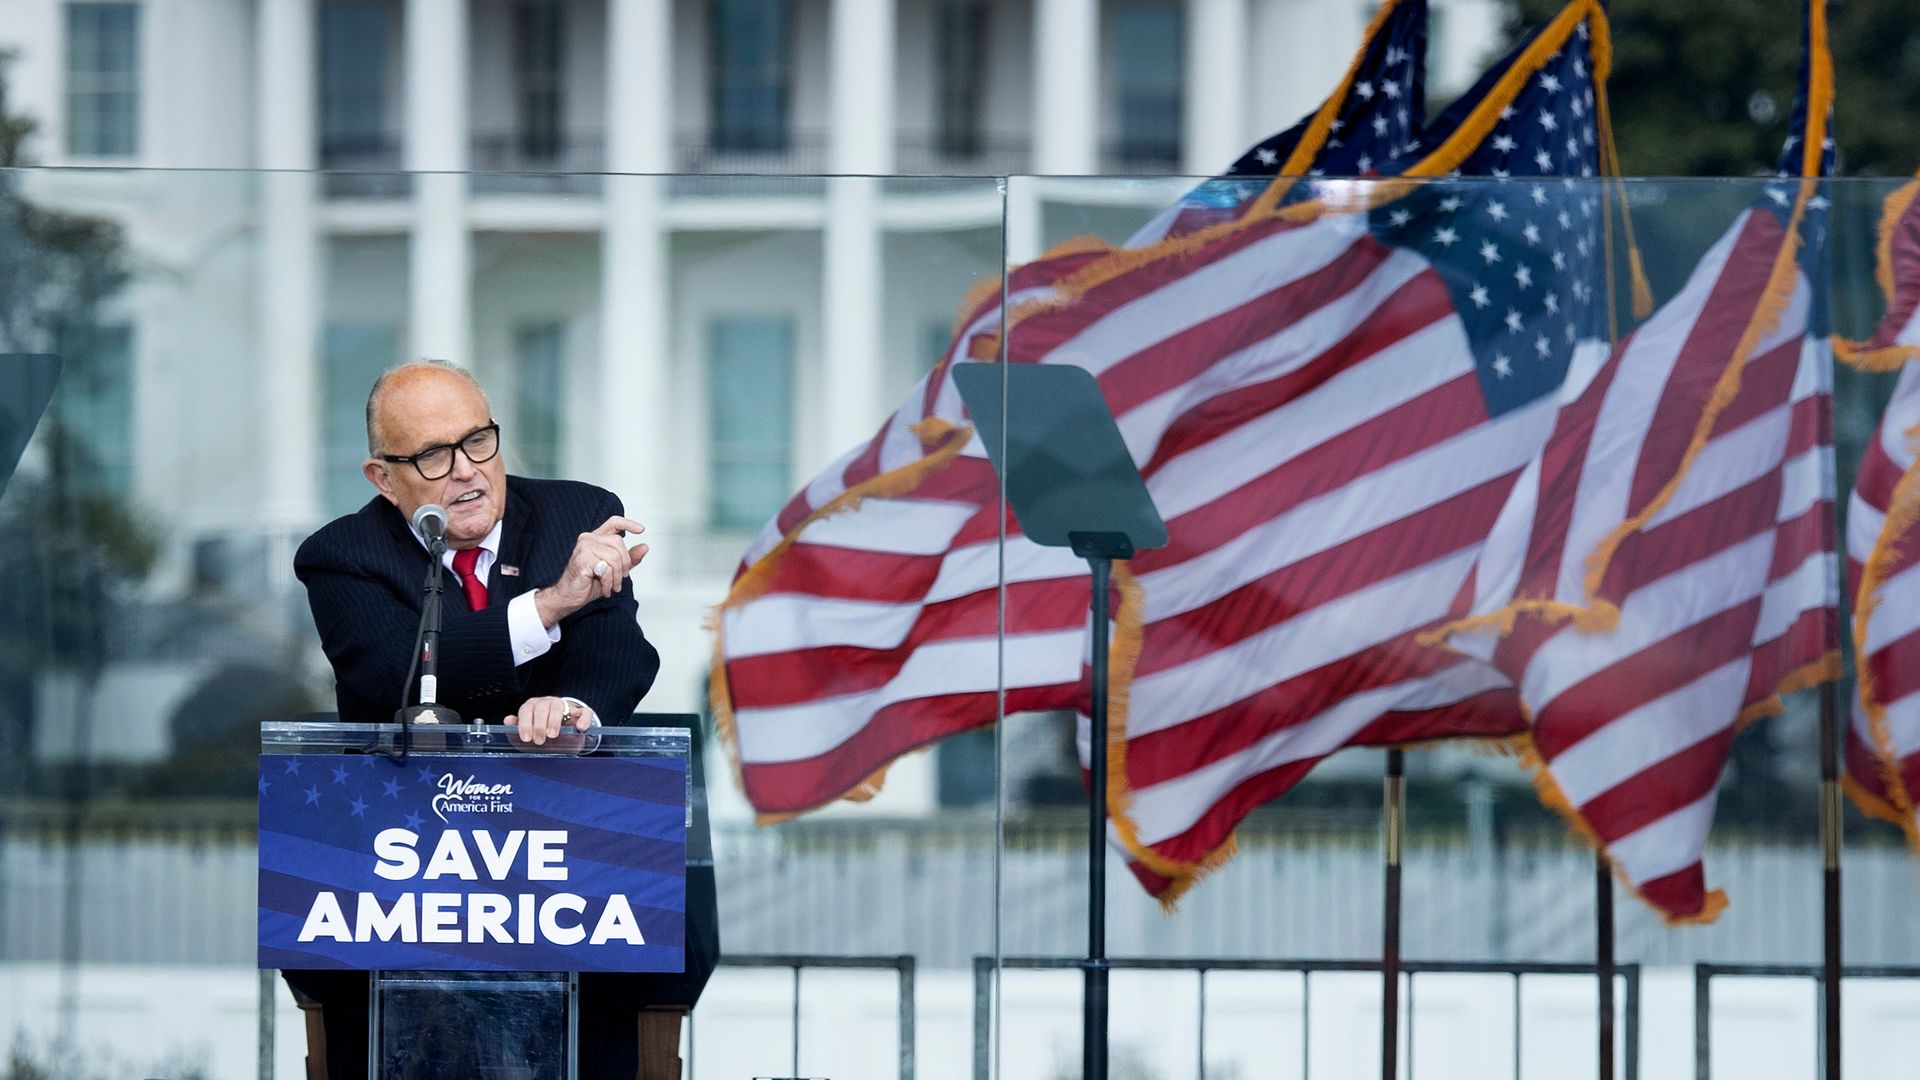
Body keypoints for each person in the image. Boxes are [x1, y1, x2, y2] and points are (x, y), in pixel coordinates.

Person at [287, 360, 663, 1079]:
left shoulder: (574, 515)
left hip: (565, 881)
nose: (467, 472)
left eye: (479, 441)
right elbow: (397, 671)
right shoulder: (342, 556)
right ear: (382, 477)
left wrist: (576, 713)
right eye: (432, 456)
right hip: (401, 894)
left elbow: (618, 650)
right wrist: (551, 605)